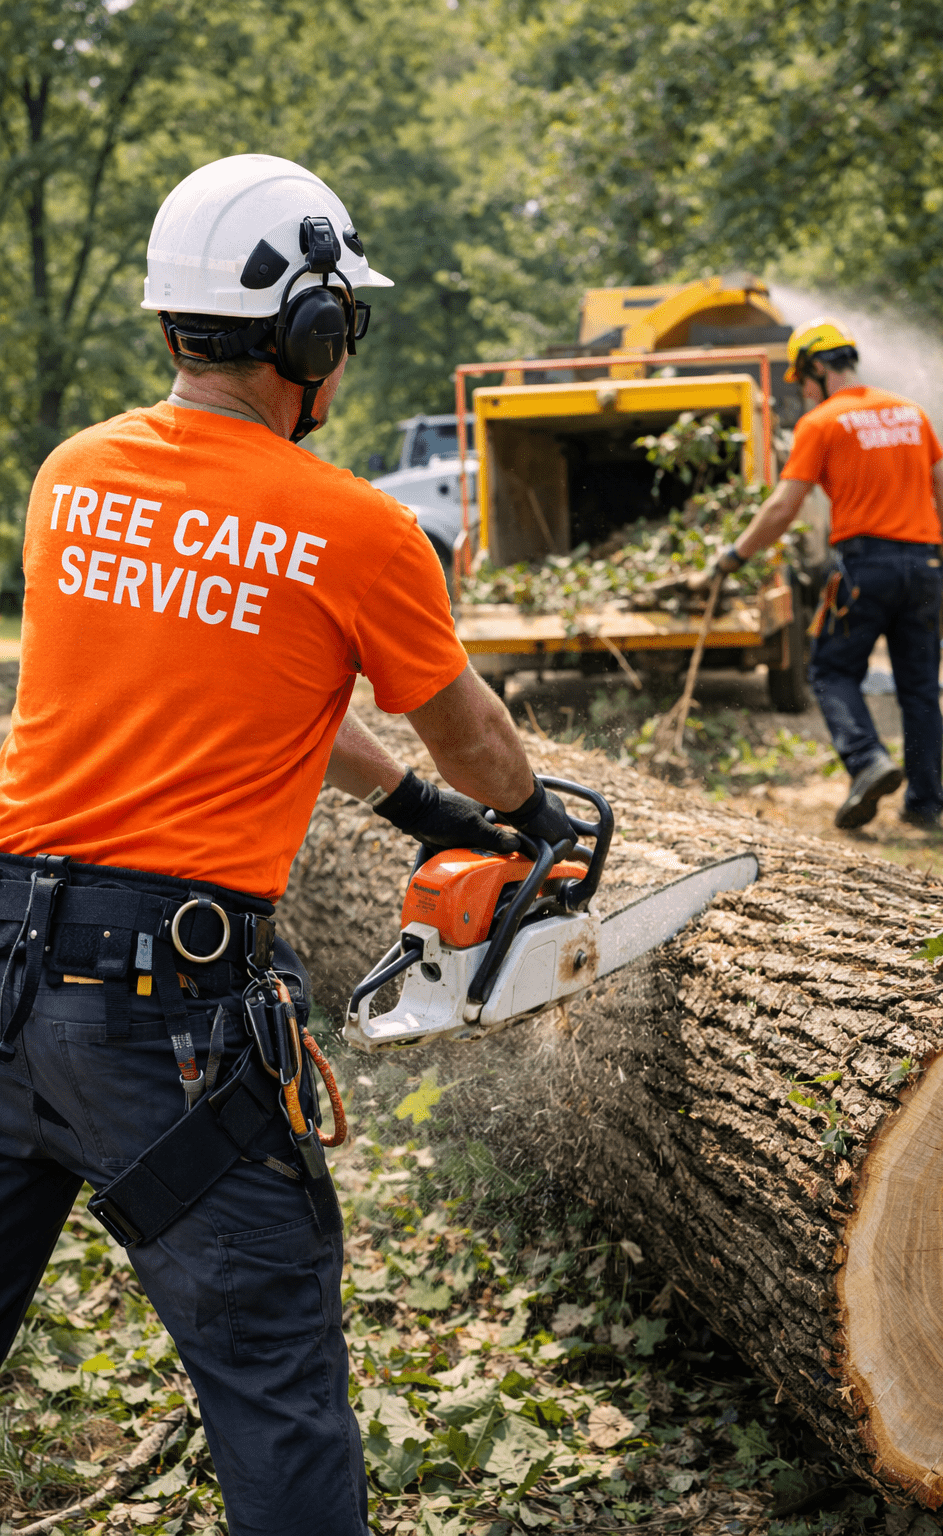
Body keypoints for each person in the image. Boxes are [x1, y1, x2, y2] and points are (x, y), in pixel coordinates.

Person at [0, 154, 576, 1536]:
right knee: (273, 1379)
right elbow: (482, 743)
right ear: (312, 337)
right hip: (164, 1022)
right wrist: (523, 814)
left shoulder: (73, 478)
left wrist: (401, 806)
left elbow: (235, 674)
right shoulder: (359, 528)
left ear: (169, 325)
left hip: (7, 973)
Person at [700, 317, 943, 830]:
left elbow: (782, 509)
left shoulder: (822, 423)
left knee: (831, 670)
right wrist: (937, 557)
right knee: (920, 688)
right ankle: (925, 804)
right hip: (924, 564)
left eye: (803, 381)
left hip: (865, 567)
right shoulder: (911, 413)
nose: (804, 393)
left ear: (817, 368)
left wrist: (733, 556)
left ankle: (866, 760)